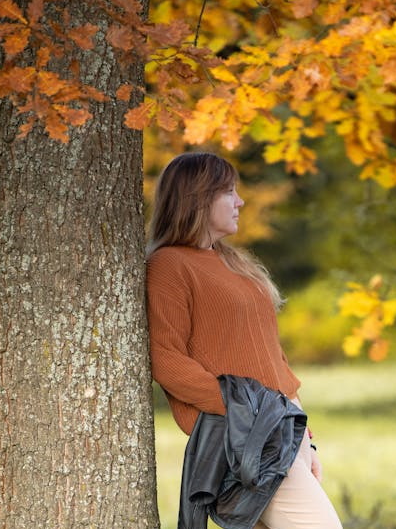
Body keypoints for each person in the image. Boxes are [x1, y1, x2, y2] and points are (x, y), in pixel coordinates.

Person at [145, 152, 343, 529]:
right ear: (198, 198)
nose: (241, 202)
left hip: (284, 429)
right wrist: (243, 408)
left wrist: (306, 438)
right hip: (246, 443)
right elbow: (166, 358)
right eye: (229, 192)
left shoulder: (234, 262)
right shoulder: (169, 265)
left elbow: (272, 356)